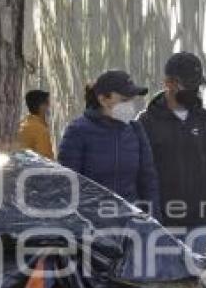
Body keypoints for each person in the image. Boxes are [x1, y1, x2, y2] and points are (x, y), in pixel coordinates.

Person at [138, 52, 206, 255]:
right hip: (160, 226)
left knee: (194, 283)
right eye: (187, 84)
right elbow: (139, 177)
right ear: (168, 82)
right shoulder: (146, 122)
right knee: (162, 285)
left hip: (199, 226)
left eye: (196, 85)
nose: (193, 90)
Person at [58, 70, 160, 216]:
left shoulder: (136, 130)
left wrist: (154, 222)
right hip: (92, 225)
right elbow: (66, 185)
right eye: (124, 100)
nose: (130, 105)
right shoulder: (77, 131)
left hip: (131, 225)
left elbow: (148, 180)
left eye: (132, 100)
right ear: (103, 99)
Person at [17, 89, 55, 159]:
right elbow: (45, 160)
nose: (49, 107)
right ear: (42, 106)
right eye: (48, 103)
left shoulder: (22, 124)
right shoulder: (39, 130)